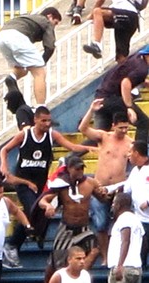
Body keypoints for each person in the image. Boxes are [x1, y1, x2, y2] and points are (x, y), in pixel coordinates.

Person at [0, 106, 94, 268]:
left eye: (49, 120)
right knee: (34, 210)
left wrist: (89, 148)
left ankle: (35, 235)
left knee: (39, 212)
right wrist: (3, 165)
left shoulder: (52, 135)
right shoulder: (25, 135)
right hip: (23, 183)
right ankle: (12, 245)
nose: (47, 123)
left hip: (40, 185)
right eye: (43, 120)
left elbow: (71, 147)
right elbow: (4, 149)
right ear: (35, 120)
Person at [78, 99, 133, 265]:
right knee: (100, 223)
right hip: (100, 187)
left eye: (126, 127)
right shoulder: (104, 137)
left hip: (118, 188)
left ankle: (117, 256)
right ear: (114, 125)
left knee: (119, 223)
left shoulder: (130, 143)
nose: (123, 130)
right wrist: (91, 110)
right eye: (120, 127)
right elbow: (83, 129)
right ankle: (105, 255)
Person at [39, 156, 105, 282]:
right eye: (77, 169)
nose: (80, 171)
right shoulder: (61, 183)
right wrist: (48, 206)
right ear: (69, 169)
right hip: (67, 227)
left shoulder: (90, 182)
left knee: (95, 249)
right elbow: (43, 200)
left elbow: (104, 198)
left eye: (82, 168)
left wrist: (105, 193)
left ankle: (79, 277)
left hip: (83, 227)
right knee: (56, 262)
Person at [0, 7, 61, 106]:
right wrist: (41, 63)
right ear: (50, 16)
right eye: (55, 23)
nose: (54, 26)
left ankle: (12, 78)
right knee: (39, 73)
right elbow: (50, 47)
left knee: (21, 70)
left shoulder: (27, 17)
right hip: (17, 37)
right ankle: (41, 107)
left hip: (1, 37)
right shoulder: (45, 21)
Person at [90, 45, 149, 142]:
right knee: (144, 123)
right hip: (113, 98)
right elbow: (125, 83)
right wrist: (129, 107)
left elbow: (127, 75)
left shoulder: (136, 57)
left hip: (100, 96)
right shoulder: (142, 69)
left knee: (100, 136)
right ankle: (138, 154)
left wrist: (144, 82)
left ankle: (68, 157)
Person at [119, 141, 149, 268]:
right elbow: (126, 188)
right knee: (141, 250)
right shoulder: (135, 171)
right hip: (140, 219)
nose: (128, 155)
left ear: (136, 153)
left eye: (130, 152)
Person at [107, 192, 144, 283]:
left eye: (114, 203)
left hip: (124, 268)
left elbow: (126, 240)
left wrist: (120, 265)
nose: (112, 206)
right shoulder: (136, 220)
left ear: (119, 205)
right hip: (135, 267)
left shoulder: (125, 218)